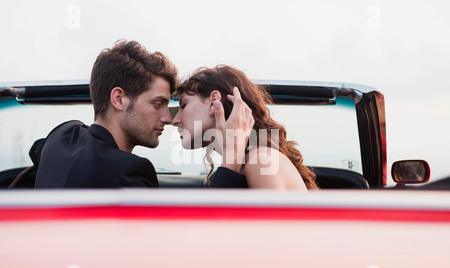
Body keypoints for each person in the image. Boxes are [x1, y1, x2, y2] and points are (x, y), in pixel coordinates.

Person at [33, 40, 253, 188]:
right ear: (119, 99)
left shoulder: (62, 135)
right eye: (158, 103)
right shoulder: (131, 172)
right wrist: (232, 160)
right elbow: (197, 245)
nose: (168, 119)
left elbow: (38, 150)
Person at [172, 65, 319, 190]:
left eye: (183, 105)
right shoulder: (250, 162)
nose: (175, 120)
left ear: (213, 102)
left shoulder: (260, 161)